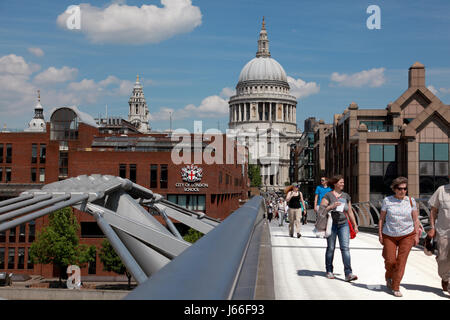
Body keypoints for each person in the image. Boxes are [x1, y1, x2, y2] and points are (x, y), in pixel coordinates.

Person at [378, 177, 420, 297]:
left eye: (405, 189)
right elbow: (381, 219)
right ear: (394, 189)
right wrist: (380, 234)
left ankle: (395, 286)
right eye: (400, 188)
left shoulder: (411, 201)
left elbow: (416, 219)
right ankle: (389, 276)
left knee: (401, 262)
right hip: (389, 235)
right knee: (390, 260)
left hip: (407, 235)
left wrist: (416, 235)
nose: (403, 191)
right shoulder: (387, 200)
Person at [320, 175, 358, 282]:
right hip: (331, 224)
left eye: (343, 182)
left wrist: (355, 225)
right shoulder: (328, 195)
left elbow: (349, 211)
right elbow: (322, 210)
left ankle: (348, 273)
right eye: (341, 182)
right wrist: (331, 206)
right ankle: (329, 270)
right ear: (335, 184)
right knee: (331, 248)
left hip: (343, 224)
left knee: (345, 248)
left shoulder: (346, 196)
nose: (343, 184)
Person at [427, 178, 450, 294]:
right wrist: (432, 227)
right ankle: (445, 278)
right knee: (442, 259)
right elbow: (433, 210)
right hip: (443, 232)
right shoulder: (441, 190)